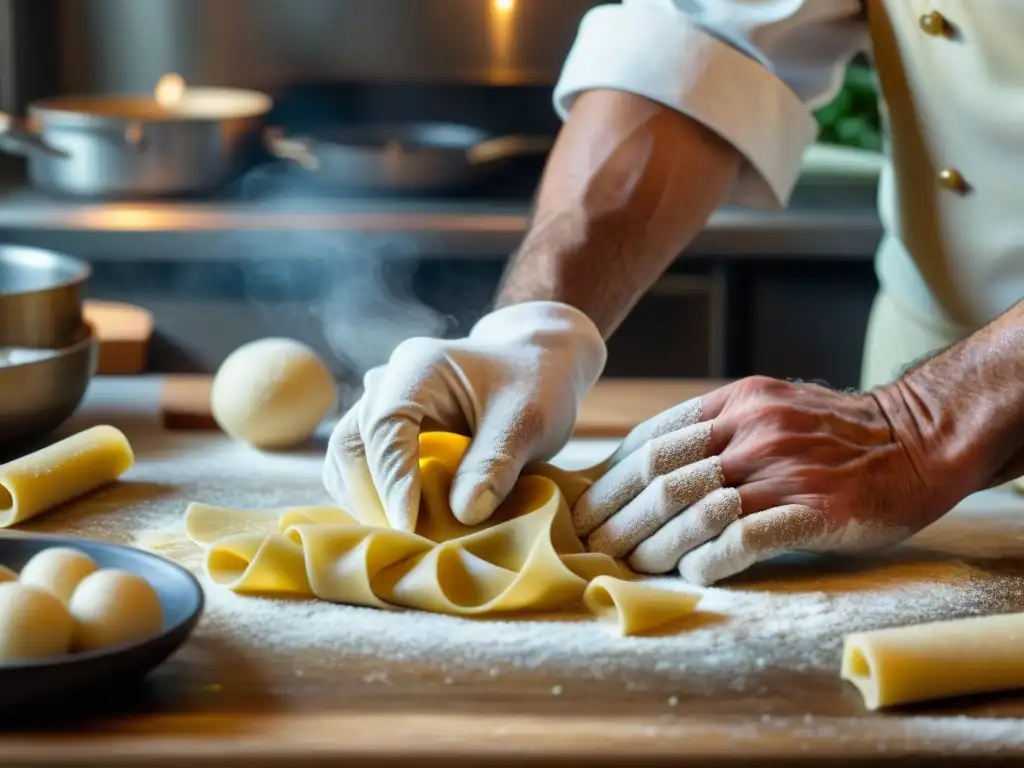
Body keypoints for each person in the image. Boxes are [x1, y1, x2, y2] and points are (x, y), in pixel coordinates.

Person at [324, 0, 1024, 586]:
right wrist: (536, 324)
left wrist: (925, 421)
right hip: (914, 453)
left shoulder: (919, 424)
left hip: (924, 433)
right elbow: (703, 39)